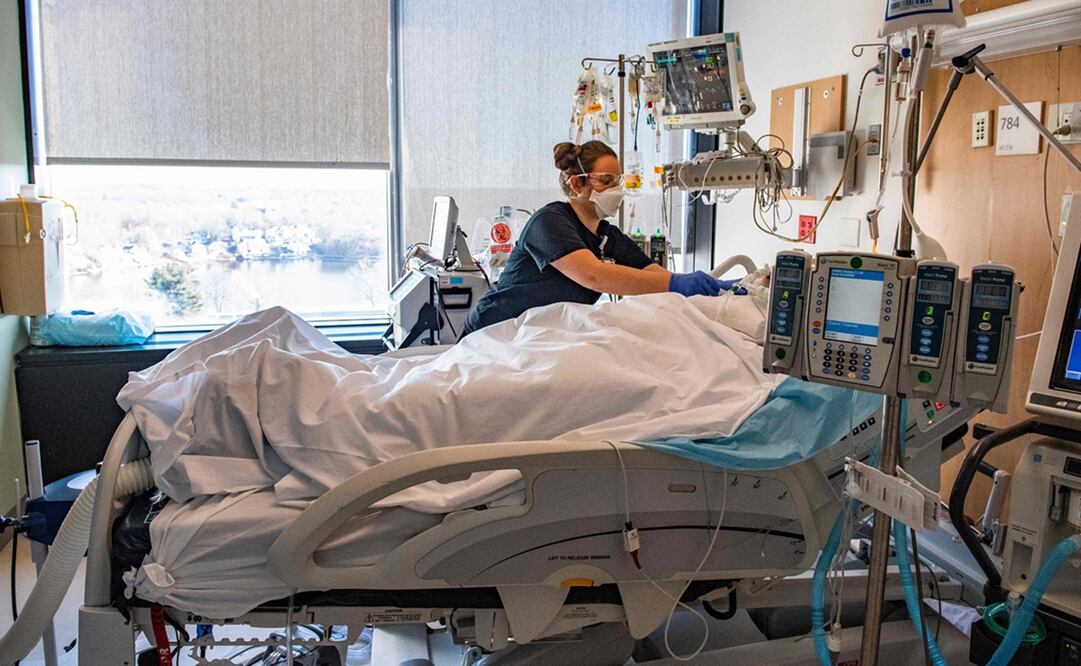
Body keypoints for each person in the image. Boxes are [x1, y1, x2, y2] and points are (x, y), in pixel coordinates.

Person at [461, 140, 728, 336]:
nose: (616, 190)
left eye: (618, 181)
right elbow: (594, 275)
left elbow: (651, 273)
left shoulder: (605, 235)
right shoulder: (549, 222)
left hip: (540, 336)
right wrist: (676, 284)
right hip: (495, 331)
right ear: (577, 183)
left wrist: (709, 290)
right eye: (606, 181)